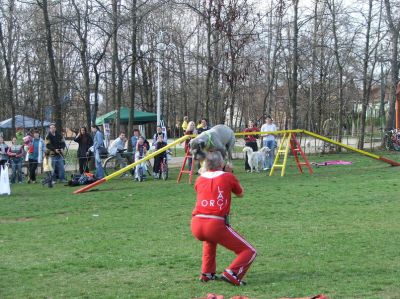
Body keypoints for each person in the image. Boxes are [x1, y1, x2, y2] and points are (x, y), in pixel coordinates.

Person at [191, 151, 256, 286]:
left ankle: (207, 273)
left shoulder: (199, 179)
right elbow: (241, 194)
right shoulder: (227, 177)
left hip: (197, 223)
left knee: (210, 241)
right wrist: (230, 173)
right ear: (221, 164)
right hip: (215, 223)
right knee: (249, 251)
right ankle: (232, 273)